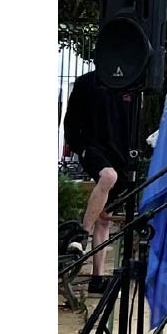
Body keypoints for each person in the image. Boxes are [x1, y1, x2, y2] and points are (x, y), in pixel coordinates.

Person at [62, 70, 136, 294]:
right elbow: (71, 121)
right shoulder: (87, 83)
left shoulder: (131, 86)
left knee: (104, 219)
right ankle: (82, 234)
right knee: (108, 176)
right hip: (91, 147)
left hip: (120, 153)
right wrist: (77, 145)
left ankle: (97, 277)